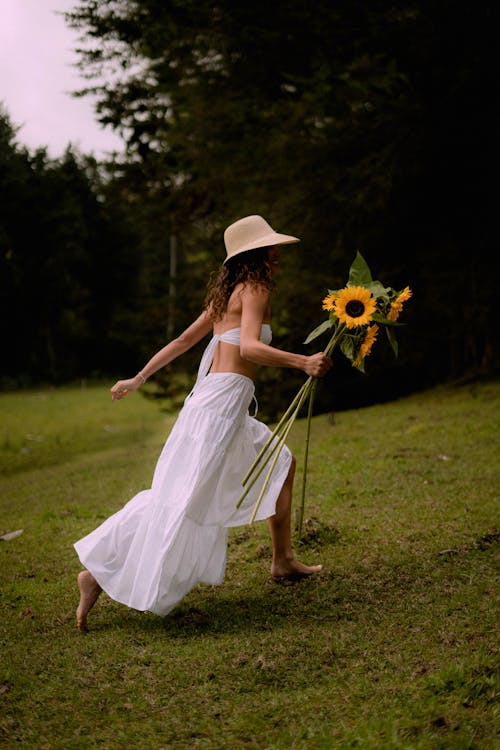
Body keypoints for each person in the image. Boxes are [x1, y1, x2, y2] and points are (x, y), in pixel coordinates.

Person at [74, 214, 332, 631]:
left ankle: (282, 560)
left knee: (280, 463)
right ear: (256, 253)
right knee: (179, 500)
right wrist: (302, 361)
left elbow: (182, 342)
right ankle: (97, 575)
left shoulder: (229, 291)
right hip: (221, 407)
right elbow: (248, 348)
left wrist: (139, 377)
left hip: (217, 403)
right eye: (272, 246)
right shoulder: (255, 289)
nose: (278, 253)